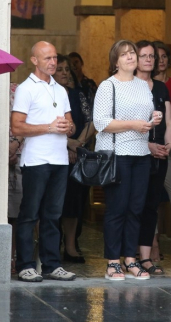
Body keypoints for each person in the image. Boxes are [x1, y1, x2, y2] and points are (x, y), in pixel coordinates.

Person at [93, 39, 162, 281]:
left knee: (136, 209)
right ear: (115, 61)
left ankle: (131, 260)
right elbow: (100, 122)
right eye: (124, 55)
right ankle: (113, 262)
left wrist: (154, 118)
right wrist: (133, 124)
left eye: (132, 53)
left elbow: (144, 116)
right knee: (117, 209)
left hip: (141, 154)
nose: (131, 57)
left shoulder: (143, 86)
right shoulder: (107, 86)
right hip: (118, 155)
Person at [11, 41, 77, 282]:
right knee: (29, 214)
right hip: (36, 160)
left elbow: (71, 125)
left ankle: (51, 265)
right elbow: (16, 126)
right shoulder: (26, 89)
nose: (52, 62)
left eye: (54, 58)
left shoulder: (61, 90)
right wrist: (49, 127)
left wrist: (68, 126)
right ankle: (25, 265)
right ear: (34, 60)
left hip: (60, 160)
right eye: (47, 58)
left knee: (53, 215)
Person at [134, 40, 171, 275]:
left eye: (152, 56)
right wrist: (148, 146)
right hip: (137, 153)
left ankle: (146, 258)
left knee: (151, 206)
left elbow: (169, 121)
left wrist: (167, 145)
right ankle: (130, 255)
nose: (149, 59)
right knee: (134, 205)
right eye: (144, 55)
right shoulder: (128, 85)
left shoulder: (160, 87)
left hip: (160, 155)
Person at [54, 54, 94, 263]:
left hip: (76, 157)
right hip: (53, 154)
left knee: (73, 203)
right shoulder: (48, 95)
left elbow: (91, 121)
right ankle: (52, 246)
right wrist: (67, 143)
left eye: (66, 69)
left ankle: (70, 246)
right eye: (59, 69)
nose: (64, 73)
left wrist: (77, 143)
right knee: (54, 204)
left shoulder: (77, 95)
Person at [153, 41, 171, 261]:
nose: (161, 60)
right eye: (156, 56)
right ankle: (152, 244)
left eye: (164, 56)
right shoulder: (143, 84)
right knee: (150, 199)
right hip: (148, 147)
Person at [8, 82, 25, 274]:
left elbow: (29, 119)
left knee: (18, 213)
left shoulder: (19, 89)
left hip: (19, 154)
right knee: (2, 214)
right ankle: (5, 256)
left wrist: (14, 144)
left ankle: (15, 257)